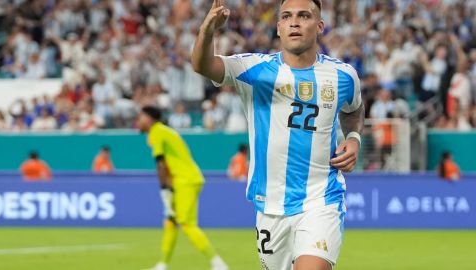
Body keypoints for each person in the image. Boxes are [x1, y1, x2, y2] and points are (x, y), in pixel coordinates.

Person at [192, 1, 365, 270]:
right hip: (269, 206)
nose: (294, 22)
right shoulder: (253, 69)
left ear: (319, 26)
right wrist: (207, 31)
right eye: (287, 16)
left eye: (304, 16)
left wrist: (353, 137)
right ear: (279, 27)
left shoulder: (343, 75)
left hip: (322, 199)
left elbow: (353, 109)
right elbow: (203, 66)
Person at [137, 106, 228, 270]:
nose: (138, 121)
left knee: (186, 224)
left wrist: (164, 189)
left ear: (149, 119)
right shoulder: (164, 131)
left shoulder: (156, 131)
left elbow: (161, 164)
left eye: (141, 117)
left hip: (185, 180)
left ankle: (217, 263)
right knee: (170, 221)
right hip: (182, 179)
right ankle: (162, 264)